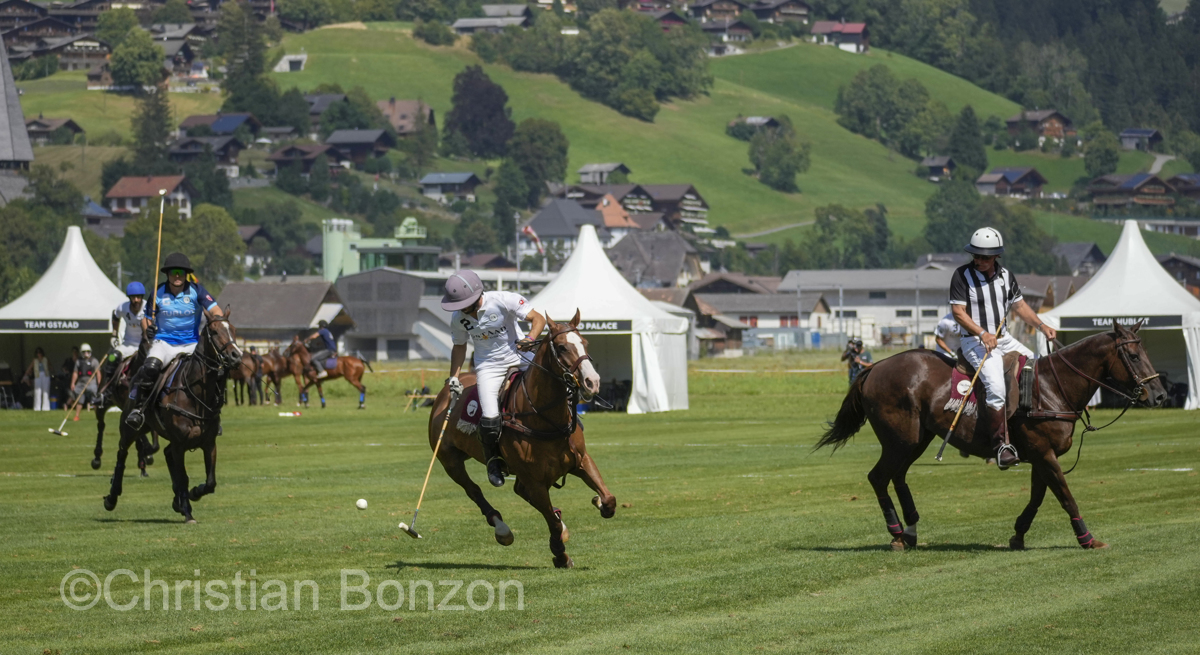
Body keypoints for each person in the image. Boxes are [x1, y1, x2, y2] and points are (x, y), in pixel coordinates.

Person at [950, 227, 1055, 470]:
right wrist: (982, 333)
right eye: (976, 256)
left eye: (985, 257)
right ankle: (1000, 447)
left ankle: (1029, 429)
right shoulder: (961, 275)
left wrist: (1041, 325)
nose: (979, 261)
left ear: (996, 256)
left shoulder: (1006, 276)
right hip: (974, 340)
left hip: (1003, 338)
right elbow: (958, 312)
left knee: (1037, 366)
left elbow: (1019, 307)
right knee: (996, 386)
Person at [443, 270, 547, 488]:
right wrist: (454, 376)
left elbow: (538, 318)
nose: (464, 312)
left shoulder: (503, 300)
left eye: (466, 305)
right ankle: (493, 461)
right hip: (489, 367)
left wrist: (529, 338)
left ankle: (571, 426)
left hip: (521, 357)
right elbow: (459, 346)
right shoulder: (458, 318)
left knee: (551, 387)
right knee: (490, 419)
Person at [125, 253, 224, 430]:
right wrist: (148, 328)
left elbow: (217, 310)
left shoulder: (197, 290)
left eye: (180, 272)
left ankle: (214, 415)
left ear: (186, 274)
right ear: (167, 274)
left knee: (215, 370)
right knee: (150, 367)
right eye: (173, 272)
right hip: (164, 343)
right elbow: (146, 319)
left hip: (192, 344)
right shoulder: (157, 292)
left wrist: (216, 320)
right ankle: (139, 410)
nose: (177, 276)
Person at [101, 281, 147, 403]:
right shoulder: (123, 307)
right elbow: (115, 315)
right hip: (128, 344)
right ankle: (108, 390)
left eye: (138, 297)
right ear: (129, 298)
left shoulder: (148, 308)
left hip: (144, 345)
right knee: (112, 357)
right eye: (133, 297)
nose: (136, 300)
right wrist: (114, 334)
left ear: (142, 297)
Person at [70, 343, 101, 421]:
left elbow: (98, 373)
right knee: (79, 400)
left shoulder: (94, 361)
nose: (86, 353)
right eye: (84, 352)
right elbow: (75, 373)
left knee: (94, 400)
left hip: (91, 382)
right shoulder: (78, 361)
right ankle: (77, 416)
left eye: (87, 351)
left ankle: (98, 416)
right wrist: (73, 383)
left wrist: (99, 383)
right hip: (81, 383)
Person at [22, 347, 51, 411]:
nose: (39, 354)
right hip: (38, 376)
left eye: (40, 353)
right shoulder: (34, 360)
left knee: (45, 391)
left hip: (45, 375)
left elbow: (50, 366)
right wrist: (25, 375)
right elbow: (29, 368)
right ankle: (37, 408)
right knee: (37, 392)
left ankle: (45, 408)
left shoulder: (46, 359)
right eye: (38, 353)